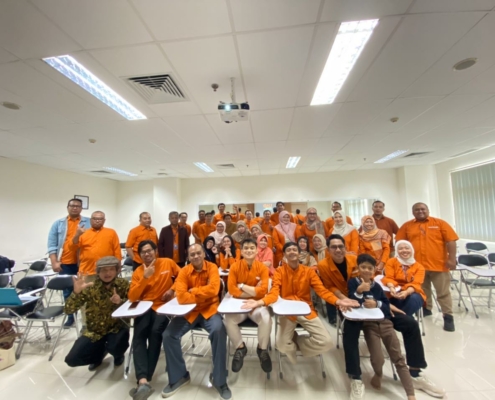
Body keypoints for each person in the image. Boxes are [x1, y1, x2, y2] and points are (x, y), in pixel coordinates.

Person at [319, 234, 445, 399]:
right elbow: (329, 286)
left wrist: (384, 304)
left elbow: (372, 285)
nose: (337, 250)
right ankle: (356, 377)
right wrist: (345, 300)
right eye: (333, 247)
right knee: (350, 332)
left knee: (410, 324)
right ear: (328, 250)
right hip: (349, 305)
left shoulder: (355, 260)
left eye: (340, 246)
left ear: (345, 247)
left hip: (374, 306)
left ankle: (415, 374)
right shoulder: (323, 265)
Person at [242, 242, 358, 364]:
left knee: (326, 342)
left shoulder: (309, 271)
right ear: (284, 255)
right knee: (281, 346)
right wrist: (259, 303)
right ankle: (291, 345)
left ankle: (296, 340)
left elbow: (322, 291)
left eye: (294, 249)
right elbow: (274, 293)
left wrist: (339, 301)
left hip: (307, 311)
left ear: (299, 253)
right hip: (287, 313)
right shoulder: (279, 272)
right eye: (289, 250)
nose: (292, 252)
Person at [162, 244, 231, 400]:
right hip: (189, 313)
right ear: (188, 257)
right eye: (192, 254)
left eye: (198, 253)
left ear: (204, 254)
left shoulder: (212, 268)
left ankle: (219, 380)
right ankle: (179, 376)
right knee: (168, 335)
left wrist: (193, 291)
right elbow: (181, 297)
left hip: (209, 310)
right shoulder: (184, 271)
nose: (196, 256)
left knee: (219, 331)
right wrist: (203, 294)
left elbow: (214, 290)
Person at [348, 254, 416, 400]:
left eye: (370, 268)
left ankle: (410, 395)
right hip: (369, 325)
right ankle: (378, 374)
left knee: (398, 357)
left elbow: (386, 305)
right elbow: (353, 304)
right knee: (378, 358)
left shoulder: (377, 287)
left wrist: (377, 304)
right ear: (358, 268)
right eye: (363, 267)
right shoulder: (353, 283)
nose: (366, 271)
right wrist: (359, 291)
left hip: (385, 323)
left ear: (374, 270)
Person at [127, 240, 180, 400]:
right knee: (139, 336)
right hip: (144, 307)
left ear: (155, 251)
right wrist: (144, 278)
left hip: (162, 307)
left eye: (149, 250)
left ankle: (144, 380)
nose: (147, 254)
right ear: (139, 255)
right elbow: (132, 297)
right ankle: (143, 381)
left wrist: (172, 289)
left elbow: (182, 277)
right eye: (143, 252)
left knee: (155, 333)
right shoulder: (138, 272)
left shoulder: (167, 263)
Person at [396, 203, 458, 332]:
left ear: (428, 210)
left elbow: (451, 241)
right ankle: (426, 309)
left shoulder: (440, 223)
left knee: (443, 292)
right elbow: (399, 243)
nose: (420, 211)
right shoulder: (407, 226)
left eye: (422, 209)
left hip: (439, 265)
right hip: (416, 267)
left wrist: (452, 259)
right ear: (413, 212)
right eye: (417, 210)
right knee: (422, 291)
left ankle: (448, 316)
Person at [64, 256, 129, 371]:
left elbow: (132, 306)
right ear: (98, 272)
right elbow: (68, 310)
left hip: (116, 328)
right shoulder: (90, 286)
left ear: (117, 270)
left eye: (111, 269)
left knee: (115, 346)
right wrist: (76, 293)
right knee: (72, 359)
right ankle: (98, 355)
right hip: (94, 331)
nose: (107, 273)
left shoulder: (123, 284)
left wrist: (120, 301)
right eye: (104, 270)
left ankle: (118, 354)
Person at [223, 238, 272, 373]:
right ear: (242, 251)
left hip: (257, 305)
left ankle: (262, 349)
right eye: (246, 248)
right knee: (228, 318)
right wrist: (253, 292)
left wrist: (242, 286)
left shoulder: (263, 268)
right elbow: (231, 290)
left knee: (266, 318)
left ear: (256, 251)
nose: (249, 250)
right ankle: (240, 347)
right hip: (239, 305)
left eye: (252, 248)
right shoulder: (235, 267)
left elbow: (263, 291)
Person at [47, 198, 91, 327]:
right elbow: (52, 245)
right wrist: (54, 262)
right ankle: (70, 316)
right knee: (67, 291)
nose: (75, 208)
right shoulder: (58, 224)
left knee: (86, 289)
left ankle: (87, 317)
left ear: (81, 208)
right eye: (72, 205)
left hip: (83, 262)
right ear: (68, 207)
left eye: (78, 206)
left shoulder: (88, 222)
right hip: (65, 262)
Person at [71, 211, 121, 279]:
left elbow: (117, 251)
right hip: (87, 270)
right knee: (86, 286)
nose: (97, 221)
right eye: (95, 219)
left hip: (107, 271)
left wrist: (118, 267)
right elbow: (73, 247)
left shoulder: (111, 232)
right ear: (90, 220)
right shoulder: (83, 233)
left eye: (100, 219)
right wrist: (77, 234)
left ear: (104, 220)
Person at [382, 240, 426, 316]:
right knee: (387, 299)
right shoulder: (391, 262)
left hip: (411, 292)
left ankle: (399, 318)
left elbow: (416, 284)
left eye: (407, 248)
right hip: (393, 292)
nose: (404, 250)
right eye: (400, 248)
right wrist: (392, 288)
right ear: (396, 251)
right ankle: (405, 319)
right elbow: (389, 277)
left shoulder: (419, 267)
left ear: (412, 250)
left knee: (414, 298)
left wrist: (406, 292)